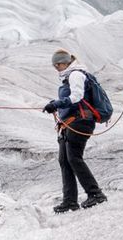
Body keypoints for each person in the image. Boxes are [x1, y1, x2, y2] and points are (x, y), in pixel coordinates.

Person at [43, 49, 107, 213]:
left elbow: (77, 97)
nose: (56, 66)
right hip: (71, 123)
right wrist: (56, 103)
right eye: (54, 64)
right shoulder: (69, 76)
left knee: (74, 158)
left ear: (66, 62)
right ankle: (70, 201)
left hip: (80, 121)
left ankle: (96, 194)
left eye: (58, 63)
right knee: (65, 160)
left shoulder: (75, 74)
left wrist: (56, 104)